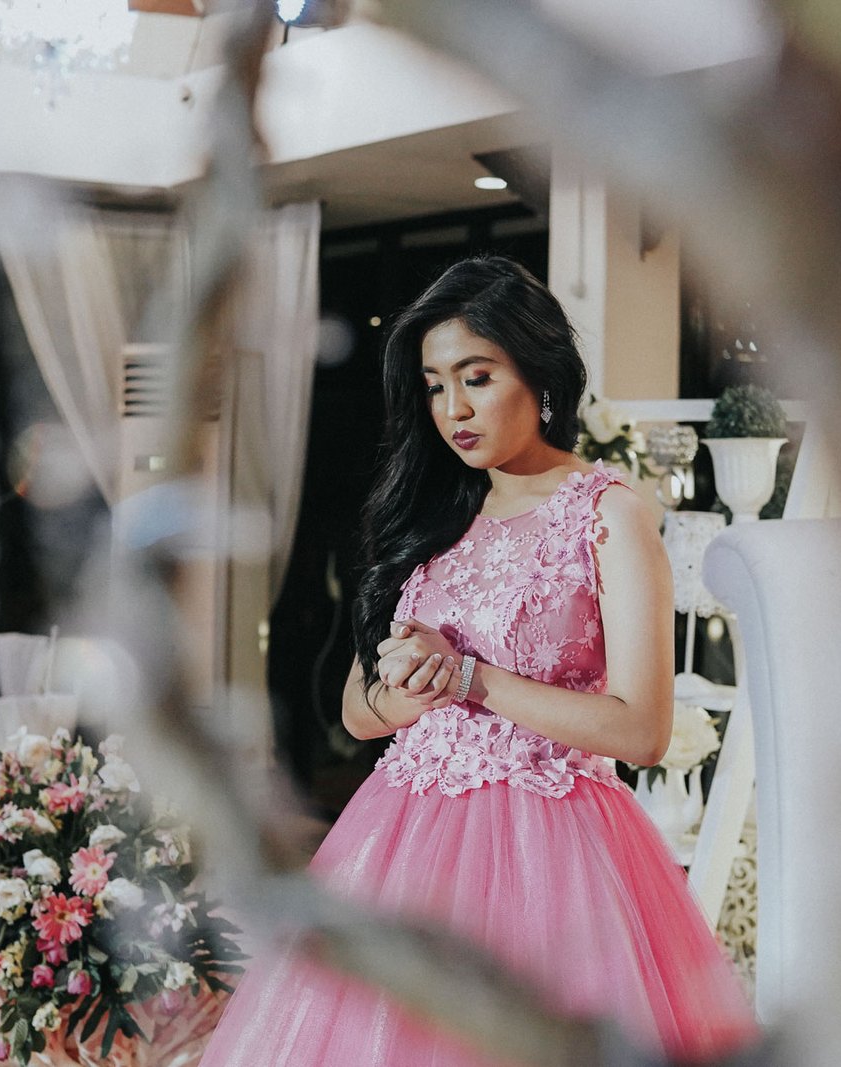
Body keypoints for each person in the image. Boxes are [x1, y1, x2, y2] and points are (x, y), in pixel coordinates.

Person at [199, 255, 756, 1065]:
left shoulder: (606, 514)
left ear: (539, 373)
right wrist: (418, 682)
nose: (452, 408)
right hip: (403, 837)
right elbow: (359, 710)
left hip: (555, 849)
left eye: (477, 377)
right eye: (434, 385)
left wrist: (471, 678)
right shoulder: (430, 515)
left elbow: (642, 730)